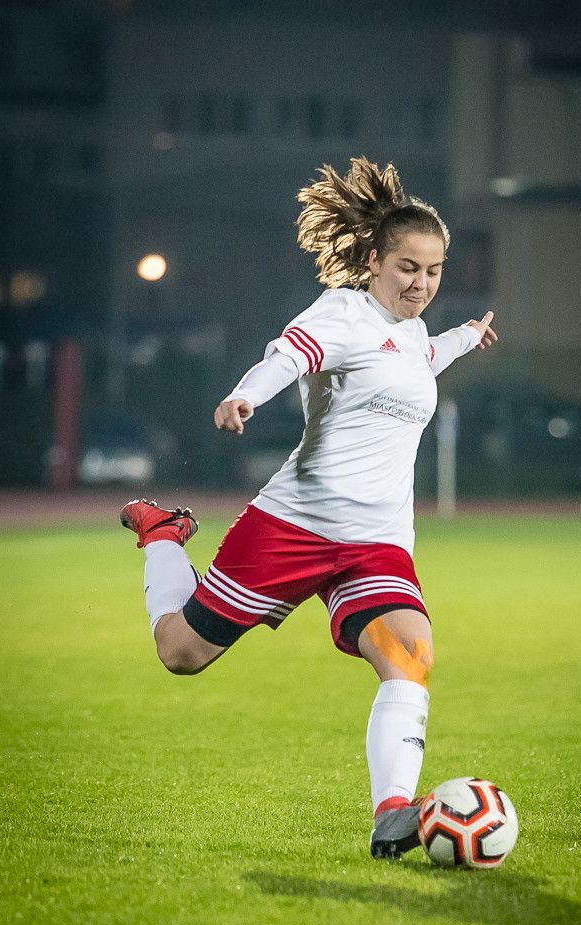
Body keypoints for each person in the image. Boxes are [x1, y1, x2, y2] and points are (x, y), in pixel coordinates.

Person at [120, 157, 497, 859]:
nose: (420, 283)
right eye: (408, 268)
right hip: (296, 525)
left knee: (410, 655)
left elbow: (418, 360)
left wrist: (465, 336)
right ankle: (163, 535)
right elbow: (288, 357)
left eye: (433, 271)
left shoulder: (415, 334)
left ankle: (392, 814)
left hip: (376, 541)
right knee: (181, 653)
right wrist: (245, 395)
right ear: (374, 260)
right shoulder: (342, 313)